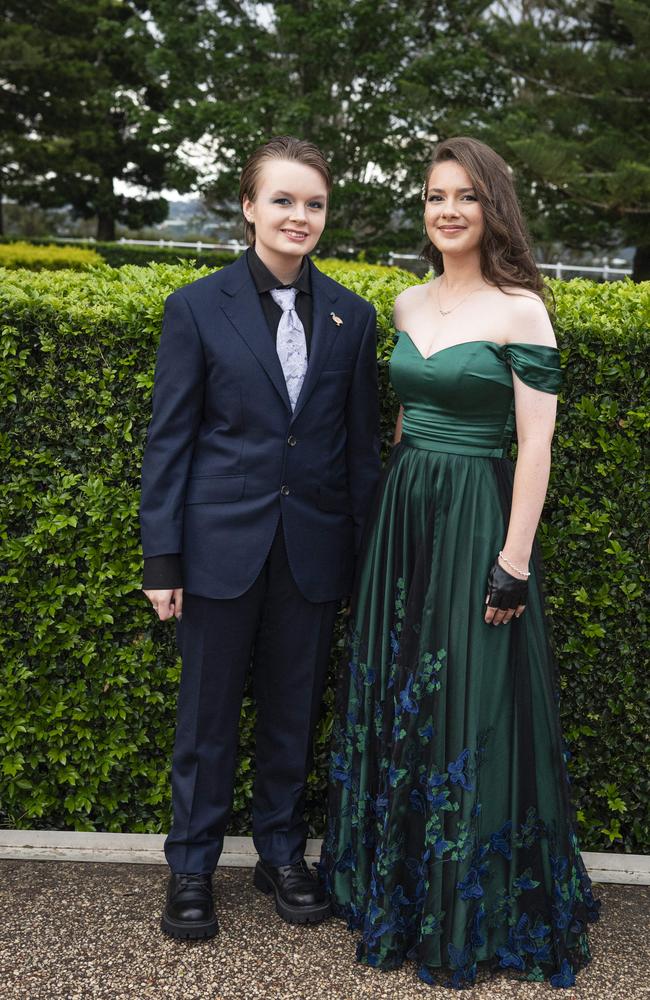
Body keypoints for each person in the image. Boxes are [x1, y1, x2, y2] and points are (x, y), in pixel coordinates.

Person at [320, 137, 600, 989]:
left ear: (493, 209)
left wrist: (512, 559)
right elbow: (406, 424)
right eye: (437, 195)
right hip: (408, 518)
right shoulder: (406, 303)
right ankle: (398, 887)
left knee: (469, 699)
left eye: (466, 197)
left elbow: (538, 444)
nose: (448, 210)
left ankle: (465, 905)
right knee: (403, 691)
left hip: (480, 514)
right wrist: (391, 530)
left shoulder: (522, 310)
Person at [140, 136, 380, 939]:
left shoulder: (353, 316)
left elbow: (357, 450)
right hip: (218, 550)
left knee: (292, 713)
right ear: (248, 207)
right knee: (205, 719)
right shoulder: (196, 307)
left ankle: (281, 853)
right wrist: (162, 558)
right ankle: (191, 868)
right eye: (282, 200)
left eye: (313, 203)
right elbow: (169, 443)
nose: (298, 216)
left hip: (312, 553)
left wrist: (363, 556)